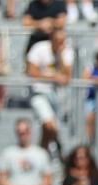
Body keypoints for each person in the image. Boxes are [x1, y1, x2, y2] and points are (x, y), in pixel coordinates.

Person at [26, 28, 73, 158]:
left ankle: (42, 153)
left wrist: (61, 56)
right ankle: (59, 149)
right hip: (39, 92)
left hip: (58, 96)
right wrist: (52, 78)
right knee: (49, 125)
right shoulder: (39, 48)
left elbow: (67, 76)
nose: (60, 44)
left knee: (49, 128)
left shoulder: (66, 52)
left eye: (63, 41)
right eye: (58, 41)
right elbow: (31, 71)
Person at [0, 118, 55, 185]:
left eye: (25, 131)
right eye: (20, 132)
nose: (22, 134)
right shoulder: (8, 153)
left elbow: (48, 180)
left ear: (30, 132)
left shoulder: (41, 153)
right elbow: (1, 180)